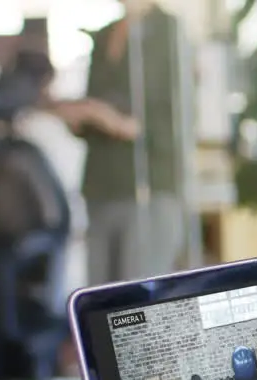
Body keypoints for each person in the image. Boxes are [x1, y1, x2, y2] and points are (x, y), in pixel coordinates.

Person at [73, 0, 187, 287]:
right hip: (102, 185)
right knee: (100, 297)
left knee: (137, 299)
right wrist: (80, 116)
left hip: (149, 183)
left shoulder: (169, 31)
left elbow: (179, 114)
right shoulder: (104, 35)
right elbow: (94, 103)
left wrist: (123, 124)